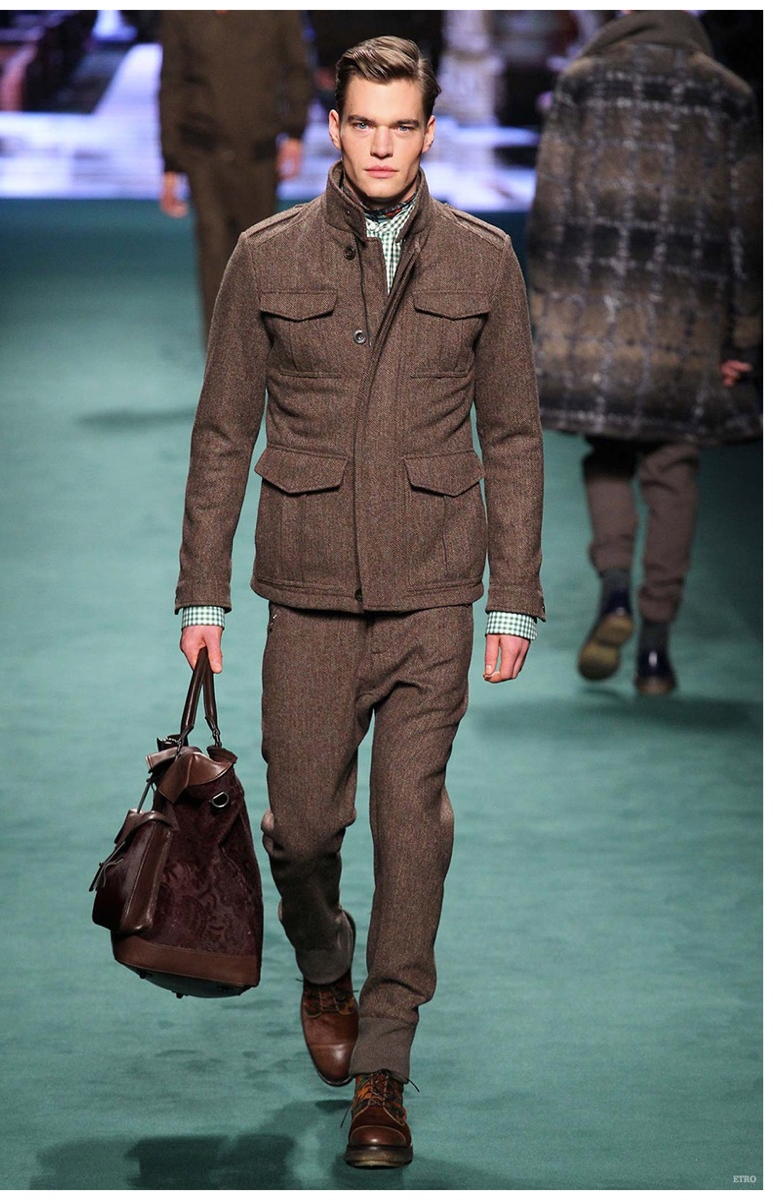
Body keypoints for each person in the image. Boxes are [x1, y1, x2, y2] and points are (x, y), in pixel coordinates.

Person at [175, 36, 544, 1168]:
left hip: (434, 583)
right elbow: (223, 430)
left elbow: (514, 433)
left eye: (402, 126)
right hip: (309, 589)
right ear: (333, 128)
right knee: (298, 833)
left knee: (410, 828)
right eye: (363, 124)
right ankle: (323, 958)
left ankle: (383, 1067)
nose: (382, 146)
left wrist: (513, 597)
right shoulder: (265, 256)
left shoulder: (482, 261)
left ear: (428, 132)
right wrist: (202, 592)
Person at [527, 10, 761, 695]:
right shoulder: (727, 94)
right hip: (690, 314)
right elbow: (748, 224)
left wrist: (544, 314)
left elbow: (551, 211)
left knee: (608, 454)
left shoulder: (583, 82)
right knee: (673, 469)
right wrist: (745, 334)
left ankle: (615, 592)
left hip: (596, 309)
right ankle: (656, 648)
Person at [158, 11, 312, 341]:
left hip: (258, 152)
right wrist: (171, 162)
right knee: (214, 249)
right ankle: (220, 355)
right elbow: (172, 82)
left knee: (256, 253)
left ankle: (255, 350)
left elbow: (297, 67)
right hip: (203, 150)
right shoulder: (181, 12)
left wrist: (295, 132)